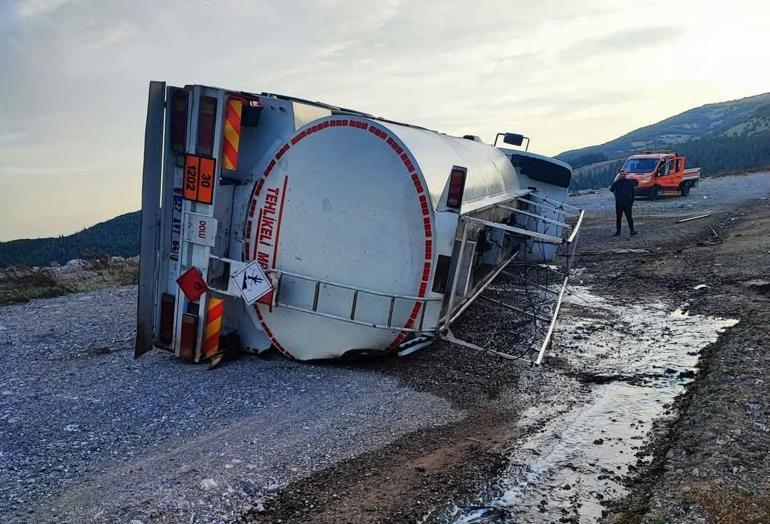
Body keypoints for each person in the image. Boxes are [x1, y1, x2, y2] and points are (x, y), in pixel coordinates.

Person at [610, 171, 638, 236]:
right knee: (619, 217)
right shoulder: (617, 182)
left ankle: (632, 230)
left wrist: (632, 201)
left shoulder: (629, 182)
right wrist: (616, 180)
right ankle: (618, 231)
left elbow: (632, 192)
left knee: (629, 217)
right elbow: (611, 189)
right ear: (619, 175)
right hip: (619, 203)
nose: (622, 175)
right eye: (621, 174)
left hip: (627, 202)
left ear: (626, 175)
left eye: (623, 174)